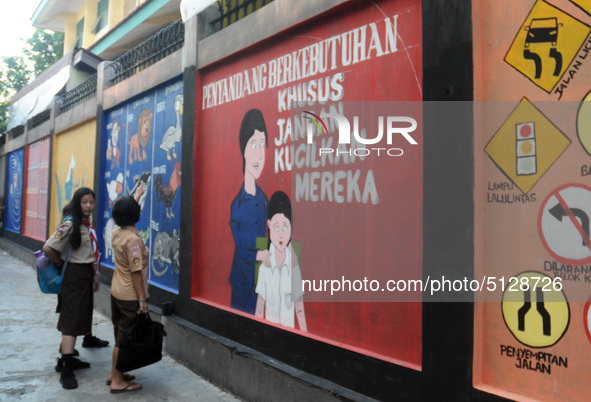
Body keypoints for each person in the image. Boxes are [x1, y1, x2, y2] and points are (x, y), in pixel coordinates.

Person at [42, 187, 101, 389]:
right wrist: (59, 263)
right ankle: (66, 369)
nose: (88, 206)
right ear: (78, 203)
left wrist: (94, 277)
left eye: (91, 202)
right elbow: (48, 248)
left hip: (84, 275)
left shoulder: (85, 224)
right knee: (72, 320)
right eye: (84, 202)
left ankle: (68, 358)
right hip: (74, 276)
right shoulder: (70, 224)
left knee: (79, 317)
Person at [229, 109, 270, 314]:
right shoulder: (236, 206)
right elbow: (244, 248)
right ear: (243, 149)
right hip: (243, 287)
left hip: (261, 285)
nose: (259, 153)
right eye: (253, 144)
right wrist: (259, 255)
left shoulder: (264, 201)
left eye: (262, 144)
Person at [108, 196, 148, 394]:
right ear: (135, 215)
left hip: (116, 292)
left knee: (119, 333)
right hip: (129, 296)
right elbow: (136, 272)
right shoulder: (132, 240)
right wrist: (142, 299)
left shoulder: (117, 232)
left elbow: (125, 211)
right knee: (123, 339)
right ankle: (116, 380)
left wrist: (137, 195)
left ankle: (116, 372)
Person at [255, 191, 307, 331]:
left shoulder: (294, 267)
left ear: (291, 228)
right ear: (269, 225)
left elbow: (300, 310)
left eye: (285, 227)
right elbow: (259, 310)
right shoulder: (264, 268)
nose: (281, 234)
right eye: (277, 227)